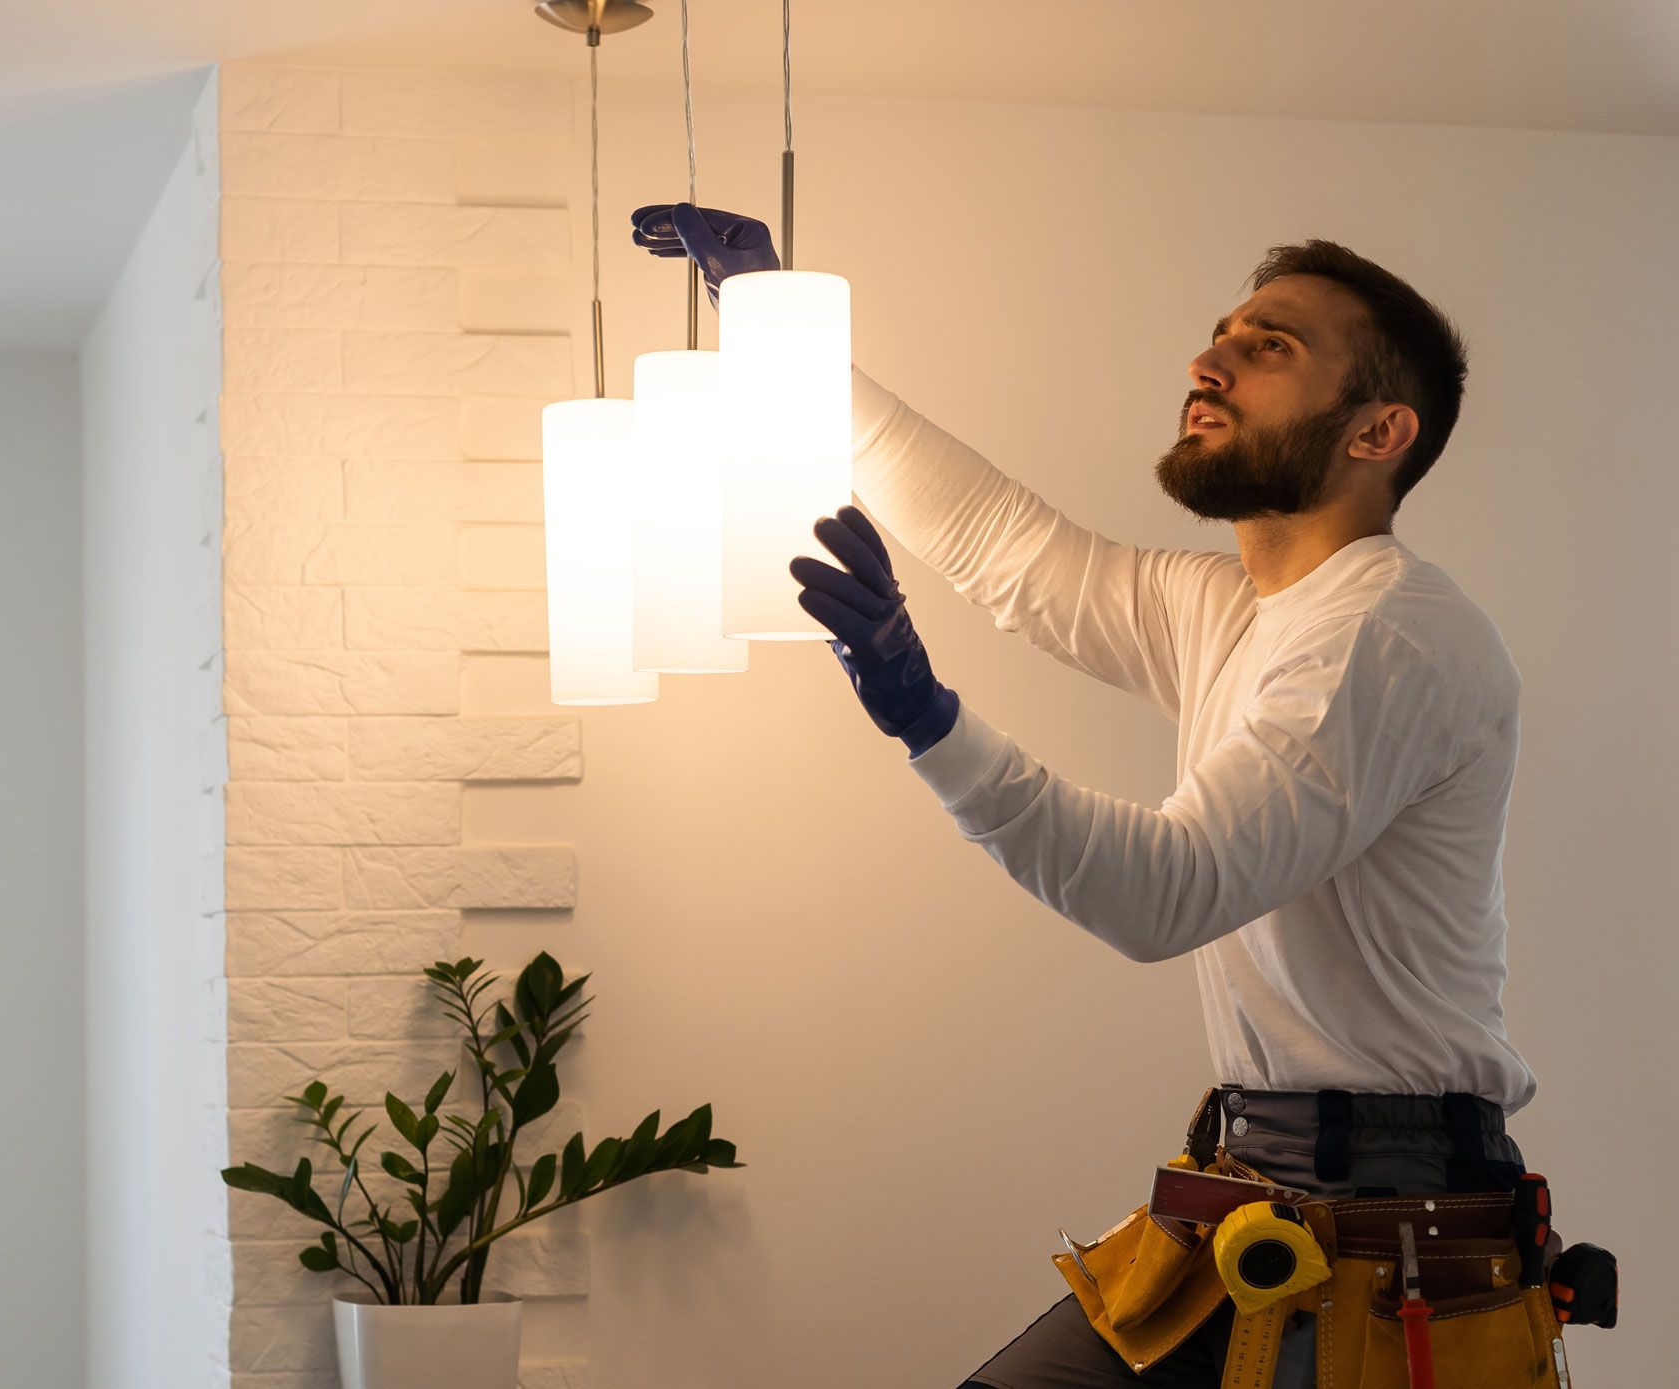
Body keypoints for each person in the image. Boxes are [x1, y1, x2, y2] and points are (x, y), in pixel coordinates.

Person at [632, 204, 1538, 1388]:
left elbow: (1166, 894)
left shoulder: (1388, 637)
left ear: (1380, 430)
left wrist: (928, 718)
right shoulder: (1237, 613)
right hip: (1258, 1194)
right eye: (1222, 334)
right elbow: (1005, 546)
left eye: (1270, 347)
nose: (1208, 363)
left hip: (1395, 1240)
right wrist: (779, 342)